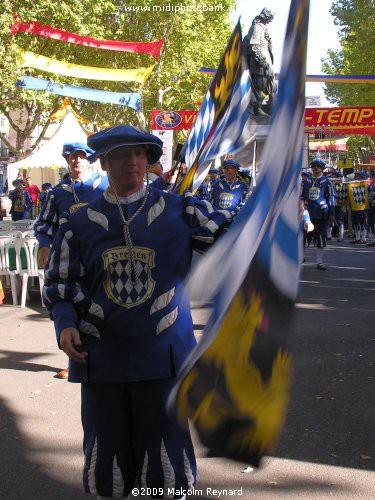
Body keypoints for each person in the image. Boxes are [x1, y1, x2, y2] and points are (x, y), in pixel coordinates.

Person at [42, 125, 234, 498]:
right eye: (121, 155)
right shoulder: (77, 224)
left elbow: (237, 241)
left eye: (140, 154)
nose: (132, 162)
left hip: (165, 358)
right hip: (100, 356)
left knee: (166, 456)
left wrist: (274, 211)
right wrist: (65, 324)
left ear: (148, 161)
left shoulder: (183, 211)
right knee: (107, 455)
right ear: (105, 162)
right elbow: (62, 285)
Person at [35, 141, 109, 380]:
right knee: (69, 305)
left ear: (90, 159)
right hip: (68, 260)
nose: (76, 160)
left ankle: (107, 356)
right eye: (72, 156)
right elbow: (45, 224)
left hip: (102, 257)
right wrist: (44, 246)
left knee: (103, 307)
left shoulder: (107, 186)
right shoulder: (57, 194)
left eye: (81, 156)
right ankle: (74, 359)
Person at [302, 158, 336, 270]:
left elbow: (331, 198)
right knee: (302, 237)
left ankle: (319, 262)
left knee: (321, 238)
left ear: (322, 168)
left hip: (321, 214)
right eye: (314, 166)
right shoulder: (306, 182)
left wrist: (332, 213)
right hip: (307, 214)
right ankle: (301, 257)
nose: (316, 168)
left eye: (318, 166)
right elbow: (301, 197)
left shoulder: (327, 182)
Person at [244, 7, 276, 116]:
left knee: (271, 86)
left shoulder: (263, 29)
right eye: (271, 17)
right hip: (260, 63)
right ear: (266, 17)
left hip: (267, 62)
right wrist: (261, 60)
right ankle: (256, 108)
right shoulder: (257, 27)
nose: (271, 20)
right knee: (260, 85)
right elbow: (254, 45)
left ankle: (266, 107)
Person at [348, 170, 368, 244]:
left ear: (362, 177)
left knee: (363, 223)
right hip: (354, 207)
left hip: (363, 207)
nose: (356, 177)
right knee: (355, 223)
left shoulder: (365, 185)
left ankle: (364, 238)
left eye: (358, 176)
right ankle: (357, 238)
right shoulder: (352, 185)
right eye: (355, 176)